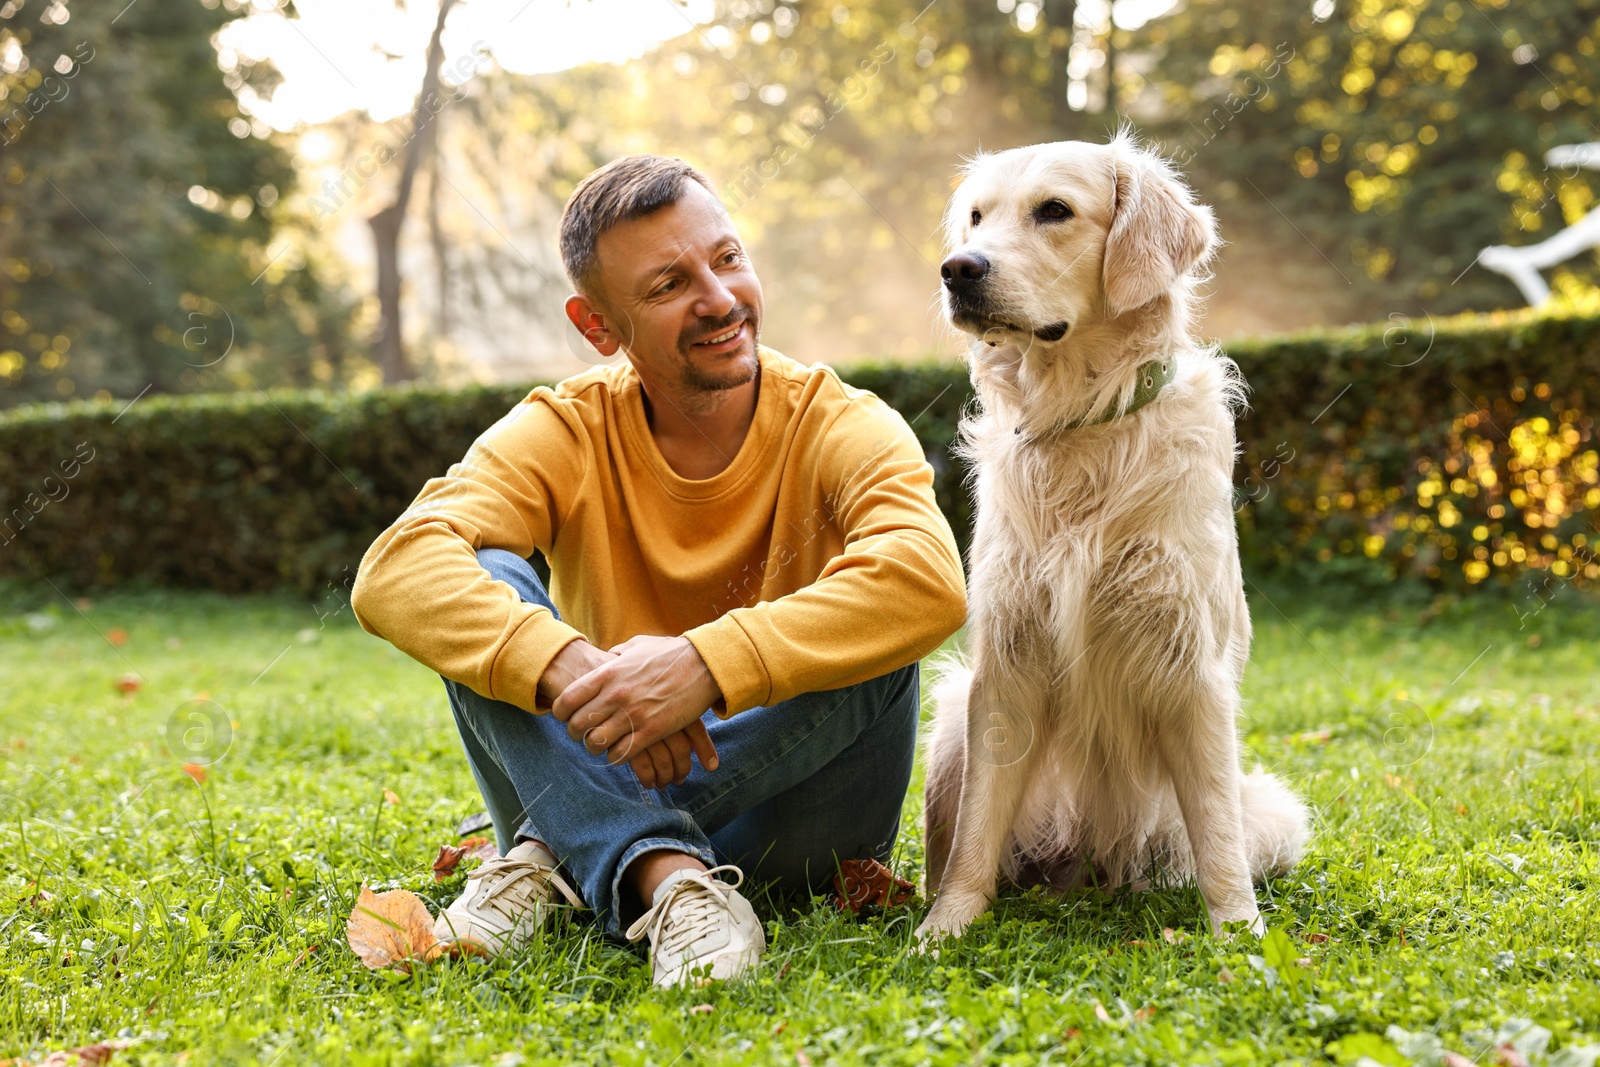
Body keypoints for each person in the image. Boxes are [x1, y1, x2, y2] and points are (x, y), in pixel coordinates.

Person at [349, 154, 967, 988]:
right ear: (598, 326)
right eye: (669, 284)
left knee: (879, 627)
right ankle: (669, 879)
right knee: (481, 578)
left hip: (799, 831)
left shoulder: (843, 422)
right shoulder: (566, 429)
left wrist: (703, 667)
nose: (718, 299)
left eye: (727, 258)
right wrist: (569, 664)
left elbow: (928, 579)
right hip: (613, 759)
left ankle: (555, 849)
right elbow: (396, 568)